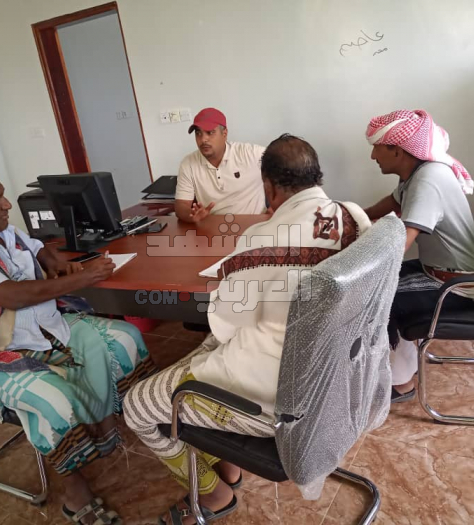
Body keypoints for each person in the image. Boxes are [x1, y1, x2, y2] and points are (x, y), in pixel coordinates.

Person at [125, 134, 371, 524]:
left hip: (276, 397)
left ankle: (214, 494)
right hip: (336, 379)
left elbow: (227, 324)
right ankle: (228, 462)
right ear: (316, 175)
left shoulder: (261, 240)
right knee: (205, 351)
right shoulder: (353, 217)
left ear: (268, 186)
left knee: (136, 406)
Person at [0, 171, 157, 525]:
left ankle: (107, 431)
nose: (7, 205)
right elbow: (9, 296)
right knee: (53, 400)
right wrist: (83, 277)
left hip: (39, 330)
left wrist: (54, 262)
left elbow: (34, 246)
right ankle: (75, 493)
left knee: (123, 339)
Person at [364, 109, 474, 403]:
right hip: (441, 270)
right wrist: (354, 216)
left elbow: (400, 246)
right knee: (379, 284)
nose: (372, 156)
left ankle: (401, 383)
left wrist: (358, 262)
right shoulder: (418, 173)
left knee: (377, 296)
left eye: (377, 148)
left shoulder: (428, 180)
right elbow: (392, 202)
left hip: (458, 287)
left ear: (397, 150)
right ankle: (404, 366)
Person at [174, 107, 267, 223]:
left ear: (224, 133)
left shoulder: (250, 154)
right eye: (198, 133)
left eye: (210, 132)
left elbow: (285, 165)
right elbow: (181, 205)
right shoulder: (188, 163)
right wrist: (192, 215)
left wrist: (277, 208)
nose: (203, 139)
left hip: (253, 225)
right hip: (214, 226)